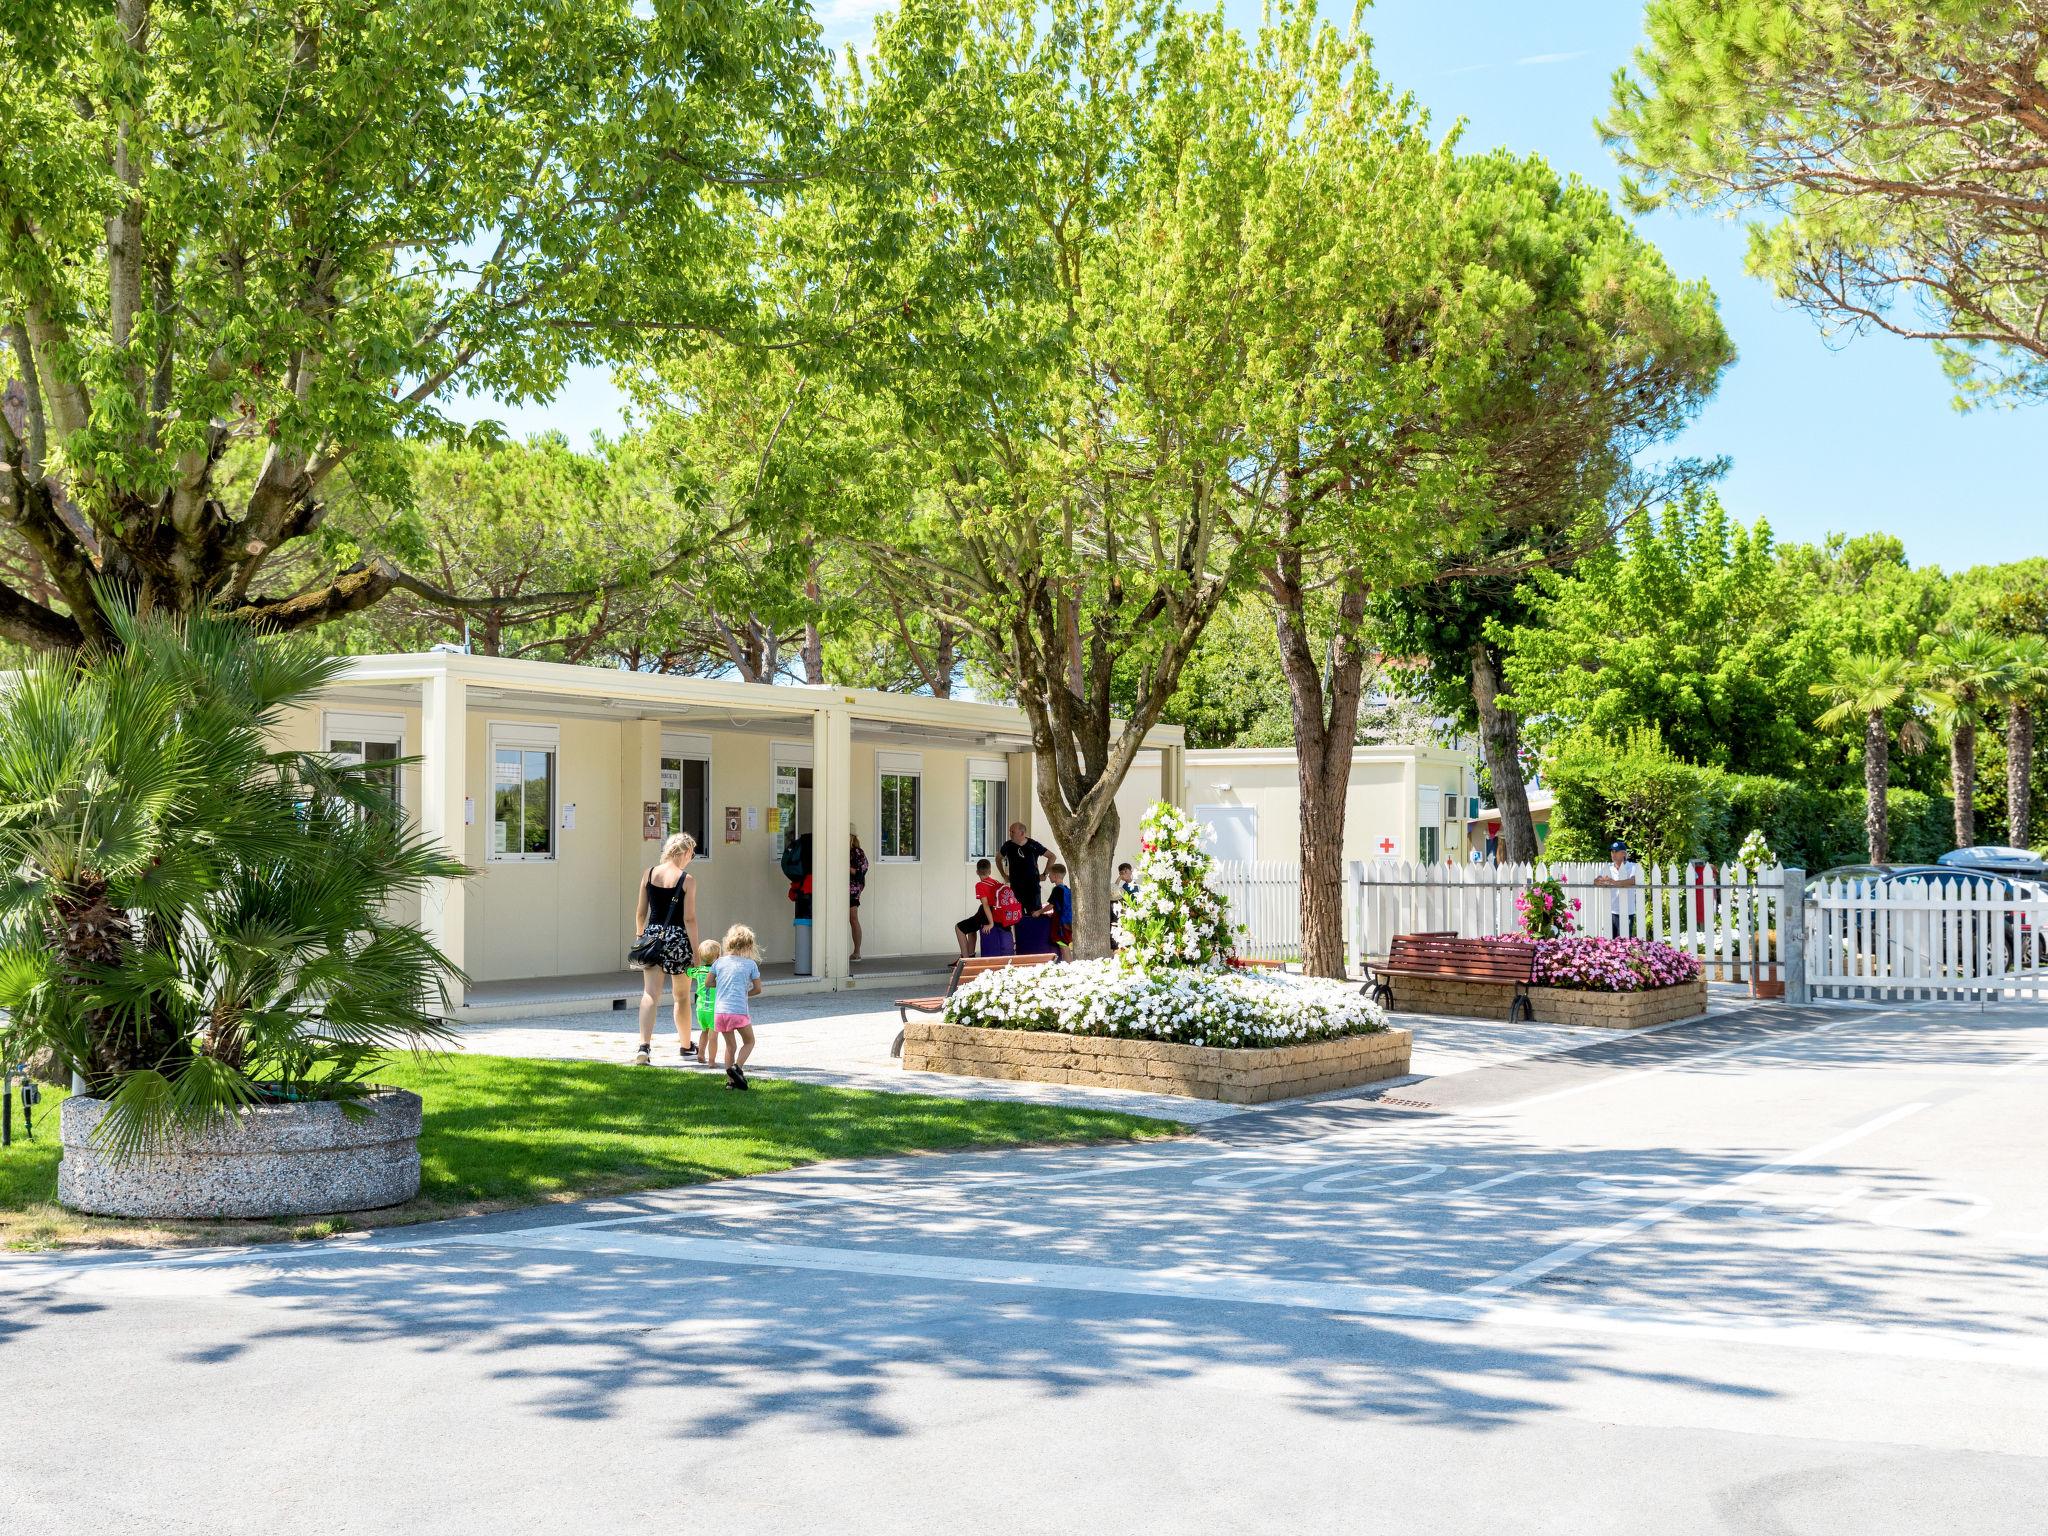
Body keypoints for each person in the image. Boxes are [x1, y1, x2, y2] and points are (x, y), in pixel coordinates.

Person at [632, 833, 699, 1066]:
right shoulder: (687, 880)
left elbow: (641, 912)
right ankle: (685, 1045)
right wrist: (696, 954)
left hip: (652, 937)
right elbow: (689, 919)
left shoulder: (649, 874)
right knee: (681, 997)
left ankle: (644, 1046)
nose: (691, 858)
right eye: (691, 853)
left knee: (650, 994)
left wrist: (641, 937)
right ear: (685, 852)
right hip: (678, 939)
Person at [711, 922, 763, 1089]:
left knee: (730, 1046)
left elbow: (708, 982)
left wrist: (721, 986)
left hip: (720, 1012)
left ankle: (730, 1082)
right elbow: (758, 989)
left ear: (728, 942)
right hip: (738, 1011)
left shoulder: (718, 963)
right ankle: (737, 1067)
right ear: (749, 945)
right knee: (749, 1041)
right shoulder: (750, 965)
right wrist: (745, 993)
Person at [999, 821, 1050, 916]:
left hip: (1032, 887)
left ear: (1022, 833)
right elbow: (998, 859)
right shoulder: (1008, 845)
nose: (1010, 834)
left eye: (1012, 832)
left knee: (1034, 915)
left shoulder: (1033, 845)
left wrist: (1044, 874)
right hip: (1016, 887)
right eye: (1010, 831)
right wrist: (1003, 875)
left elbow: (1052, 856)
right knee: (1017, 915)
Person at [1593, 840, 1643, 938]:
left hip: (1628, 911)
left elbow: (1633, 880)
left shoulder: (1633, 866)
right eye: (1612, 852)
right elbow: (1596, 880)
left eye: (1616, 851)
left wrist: (1614, 882)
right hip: (1612, 911)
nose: (1613, 854)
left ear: (1624, 853)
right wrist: (1599, 881)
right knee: (1611, 942)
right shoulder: (1608, 868)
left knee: (1624, 943)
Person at [686, 937, 721, 1067]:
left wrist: (690, 961)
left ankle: (701, 1054)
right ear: (718, 956)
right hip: (714, 1009)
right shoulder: (718, 972)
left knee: (704, 1031)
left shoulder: (698, 970)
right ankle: (712, 1061)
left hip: (700, 1008)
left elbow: (687, 971)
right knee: (713, 1036)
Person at [955, 858, 1000, 957]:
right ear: (990, 871)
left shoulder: (980, 885)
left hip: (986, 914)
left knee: (959, 928)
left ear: (977, 872)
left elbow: (986, 905)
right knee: (971, 927)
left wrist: (991, 923)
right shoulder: (996, 882)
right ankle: (971, 954)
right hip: (994, 912)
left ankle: (965, 959)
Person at [848, 827, 869, 962]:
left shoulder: (857, 852)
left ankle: (857, 952)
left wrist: (847, 868)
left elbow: (862, 872)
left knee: (853, 918)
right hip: (836, 888)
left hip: (852, 889)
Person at [1045, 862, 1074, 959]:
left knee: (1063, 944)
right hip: (1067, 920)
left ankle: (1069, 965)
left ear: (1055, 875)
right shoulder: (1066, 889)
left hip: (1060, 922)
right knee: (1064, 944)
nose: (1048, 876)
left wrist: (1039, 912)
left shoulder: (1057, 889)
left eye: (1050, 874)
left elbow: (1050, 905)